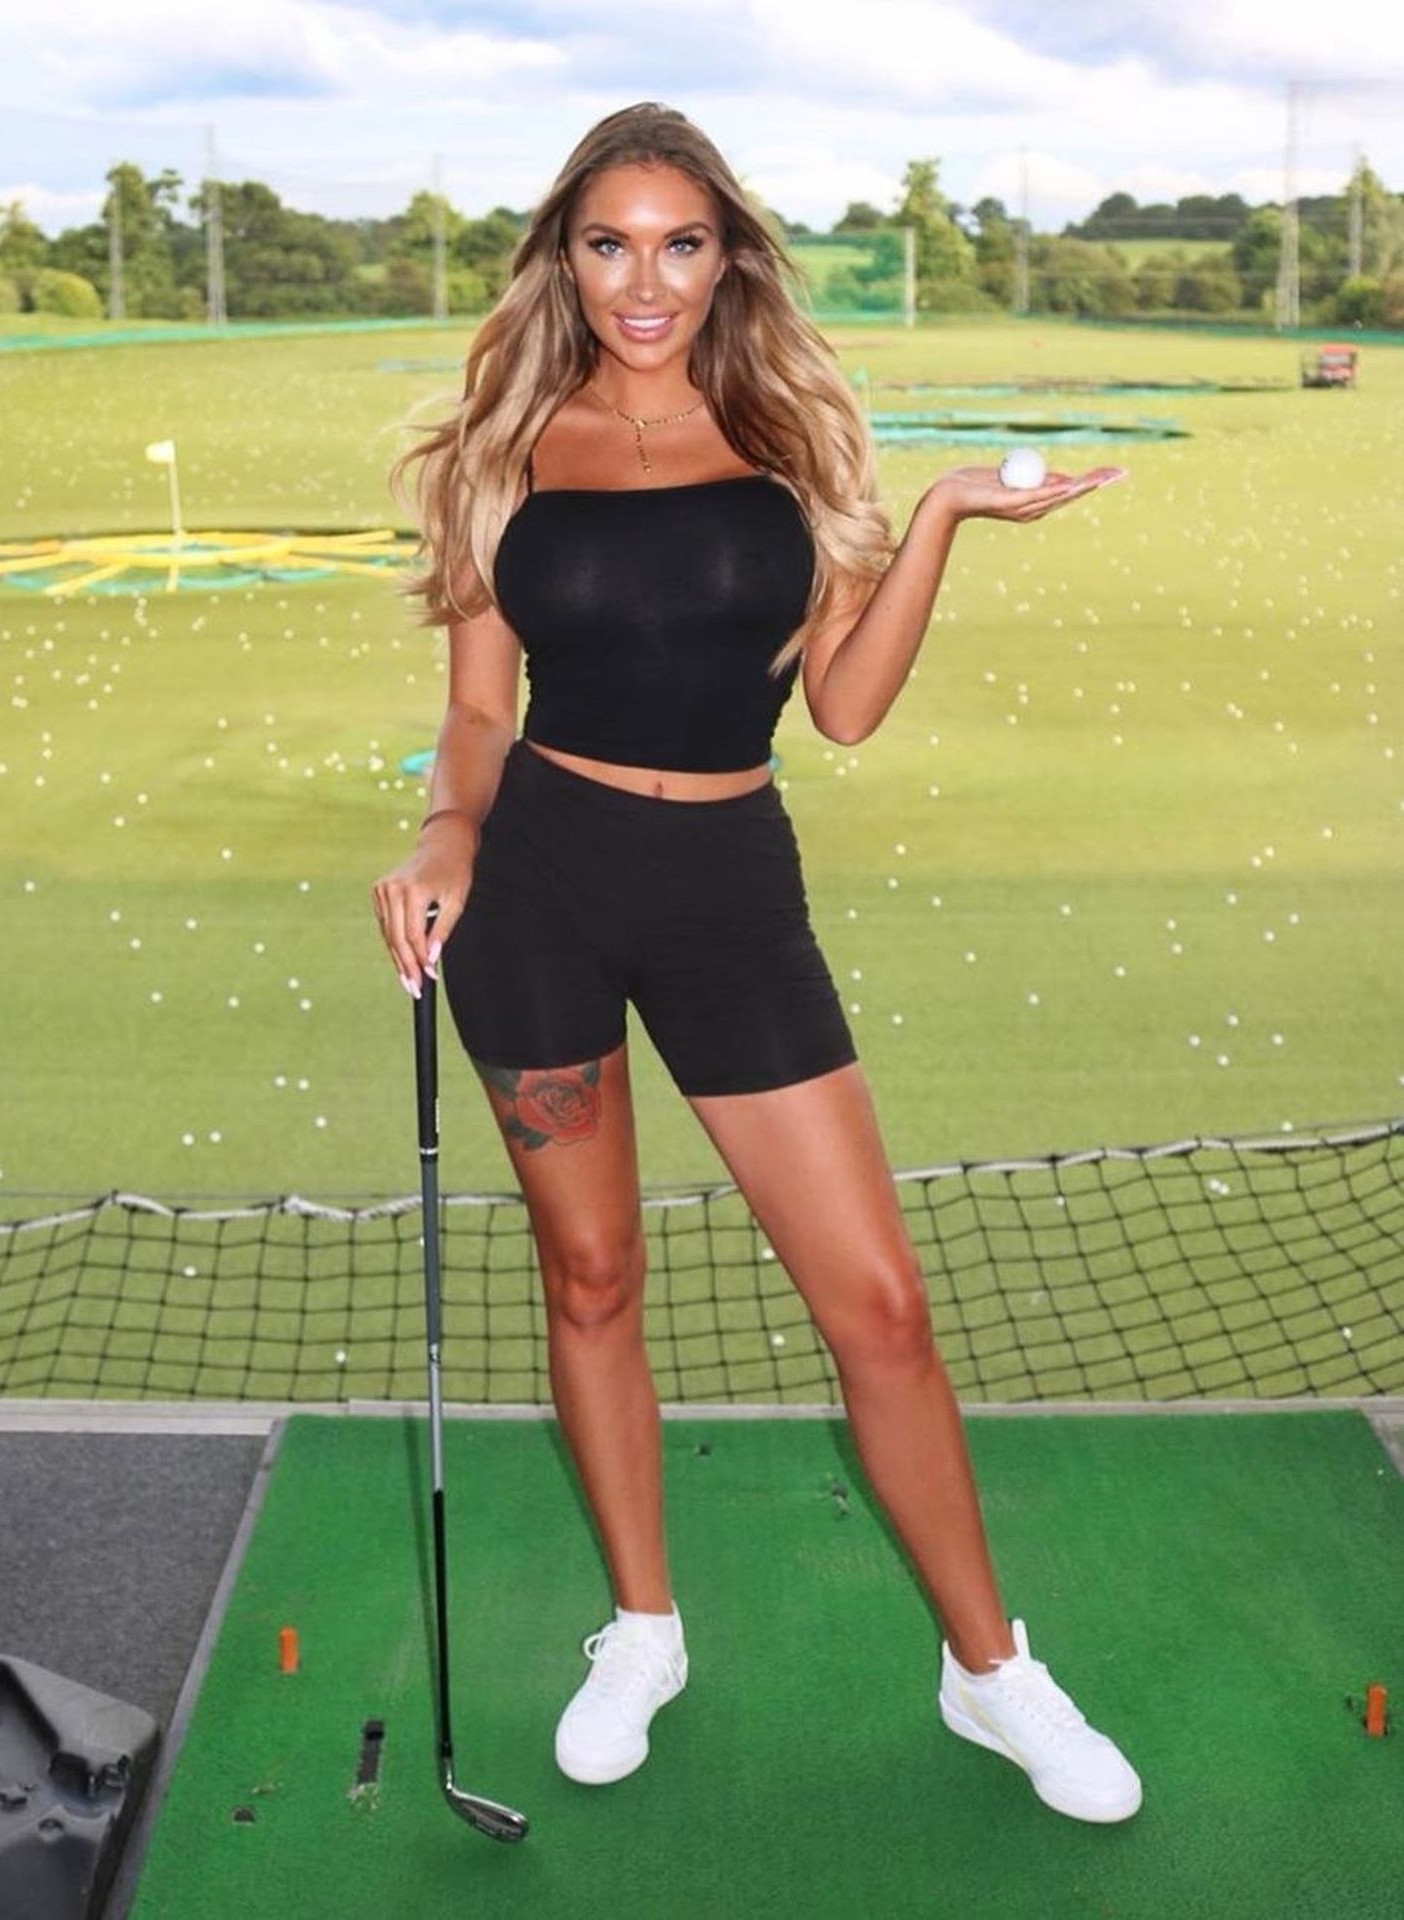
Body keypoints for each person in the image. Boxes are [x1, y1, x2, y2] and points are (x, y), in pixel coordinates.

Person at [371, 100, 1139, 1825]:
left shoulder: (794, 435)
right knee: (591, 1280)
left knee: (880, 1305)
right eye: (610, 243)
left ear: (730, 258)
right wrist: (442, 839)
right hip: (539, 891)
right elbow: (478, 715)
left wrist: (937, 519)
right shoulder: (503, 449)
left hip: (730, 894)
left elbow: (844, 707)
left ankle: (989, 1672)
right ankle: (643, 1628)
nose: (644, 280)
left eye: (681, 243)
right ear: (565, 257)